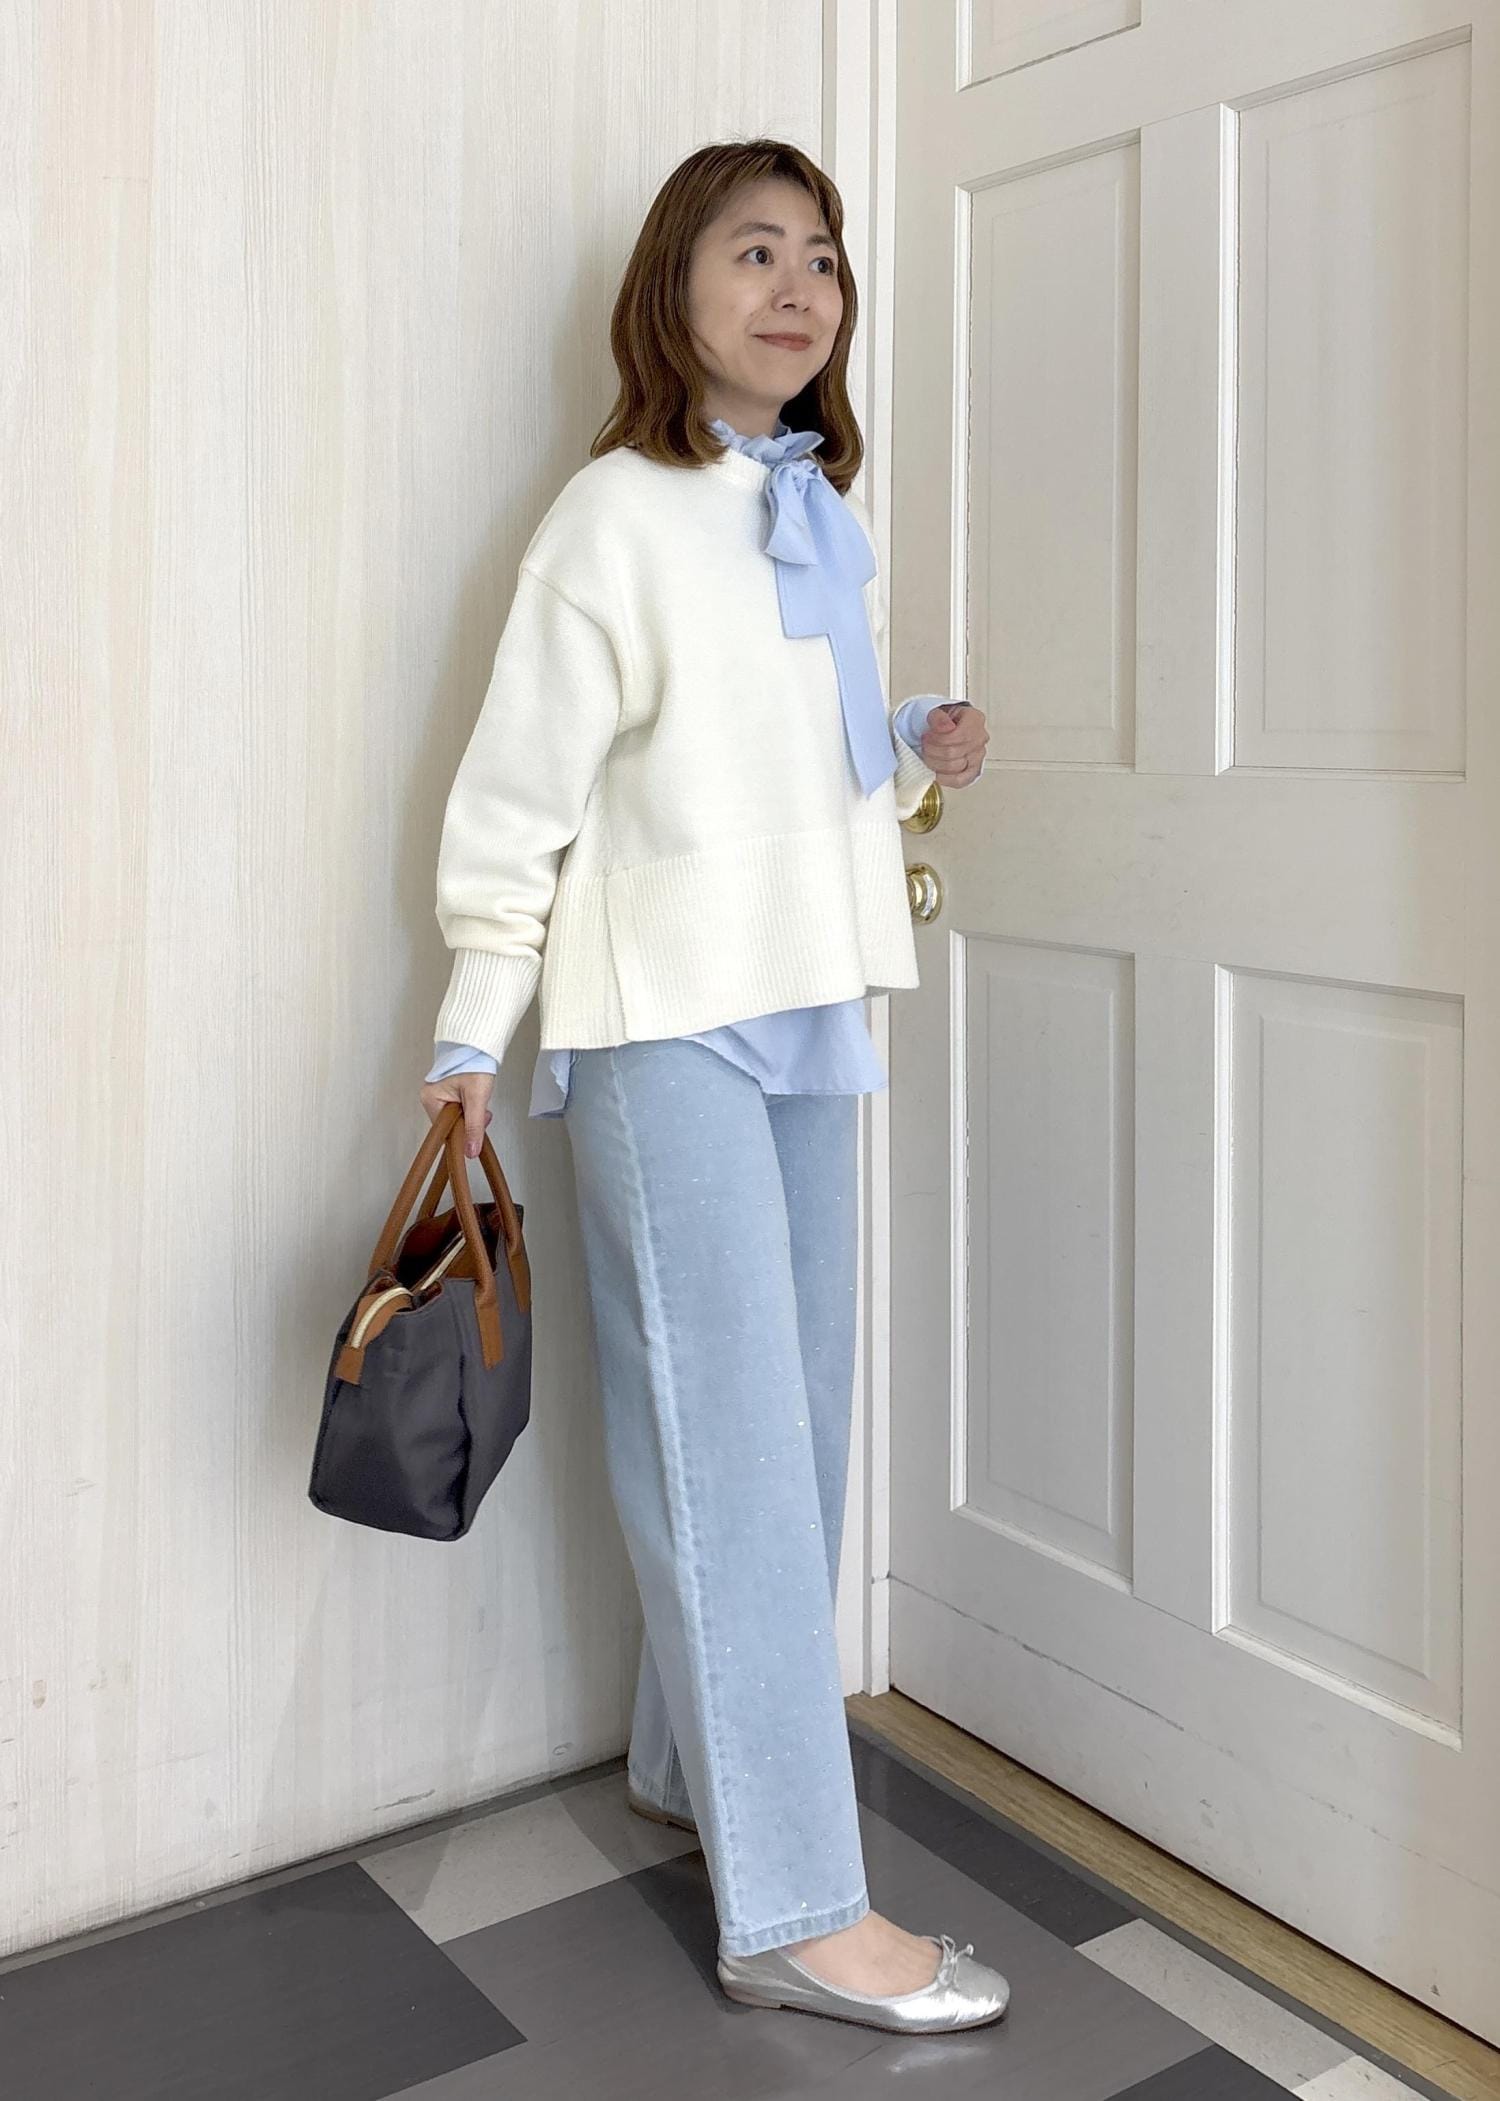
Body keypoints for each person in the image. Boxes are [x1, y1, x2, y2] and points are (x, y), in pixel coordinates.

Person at [419, 139, 1003, 2036]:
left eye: (821, 258)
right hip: (663, 1014)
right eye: (754, 252)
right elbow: (523, 788)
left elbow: (779, 761)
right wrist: (472, 1027)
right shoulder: (612, 514)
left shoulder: (817, 504)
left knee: (798, 1425)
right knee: (728, 1440)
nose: (798, 287)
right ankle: (800, 1910)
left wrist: (906, 744)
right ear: (673, 286)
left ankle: (694, 1767)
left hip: (809, 992)